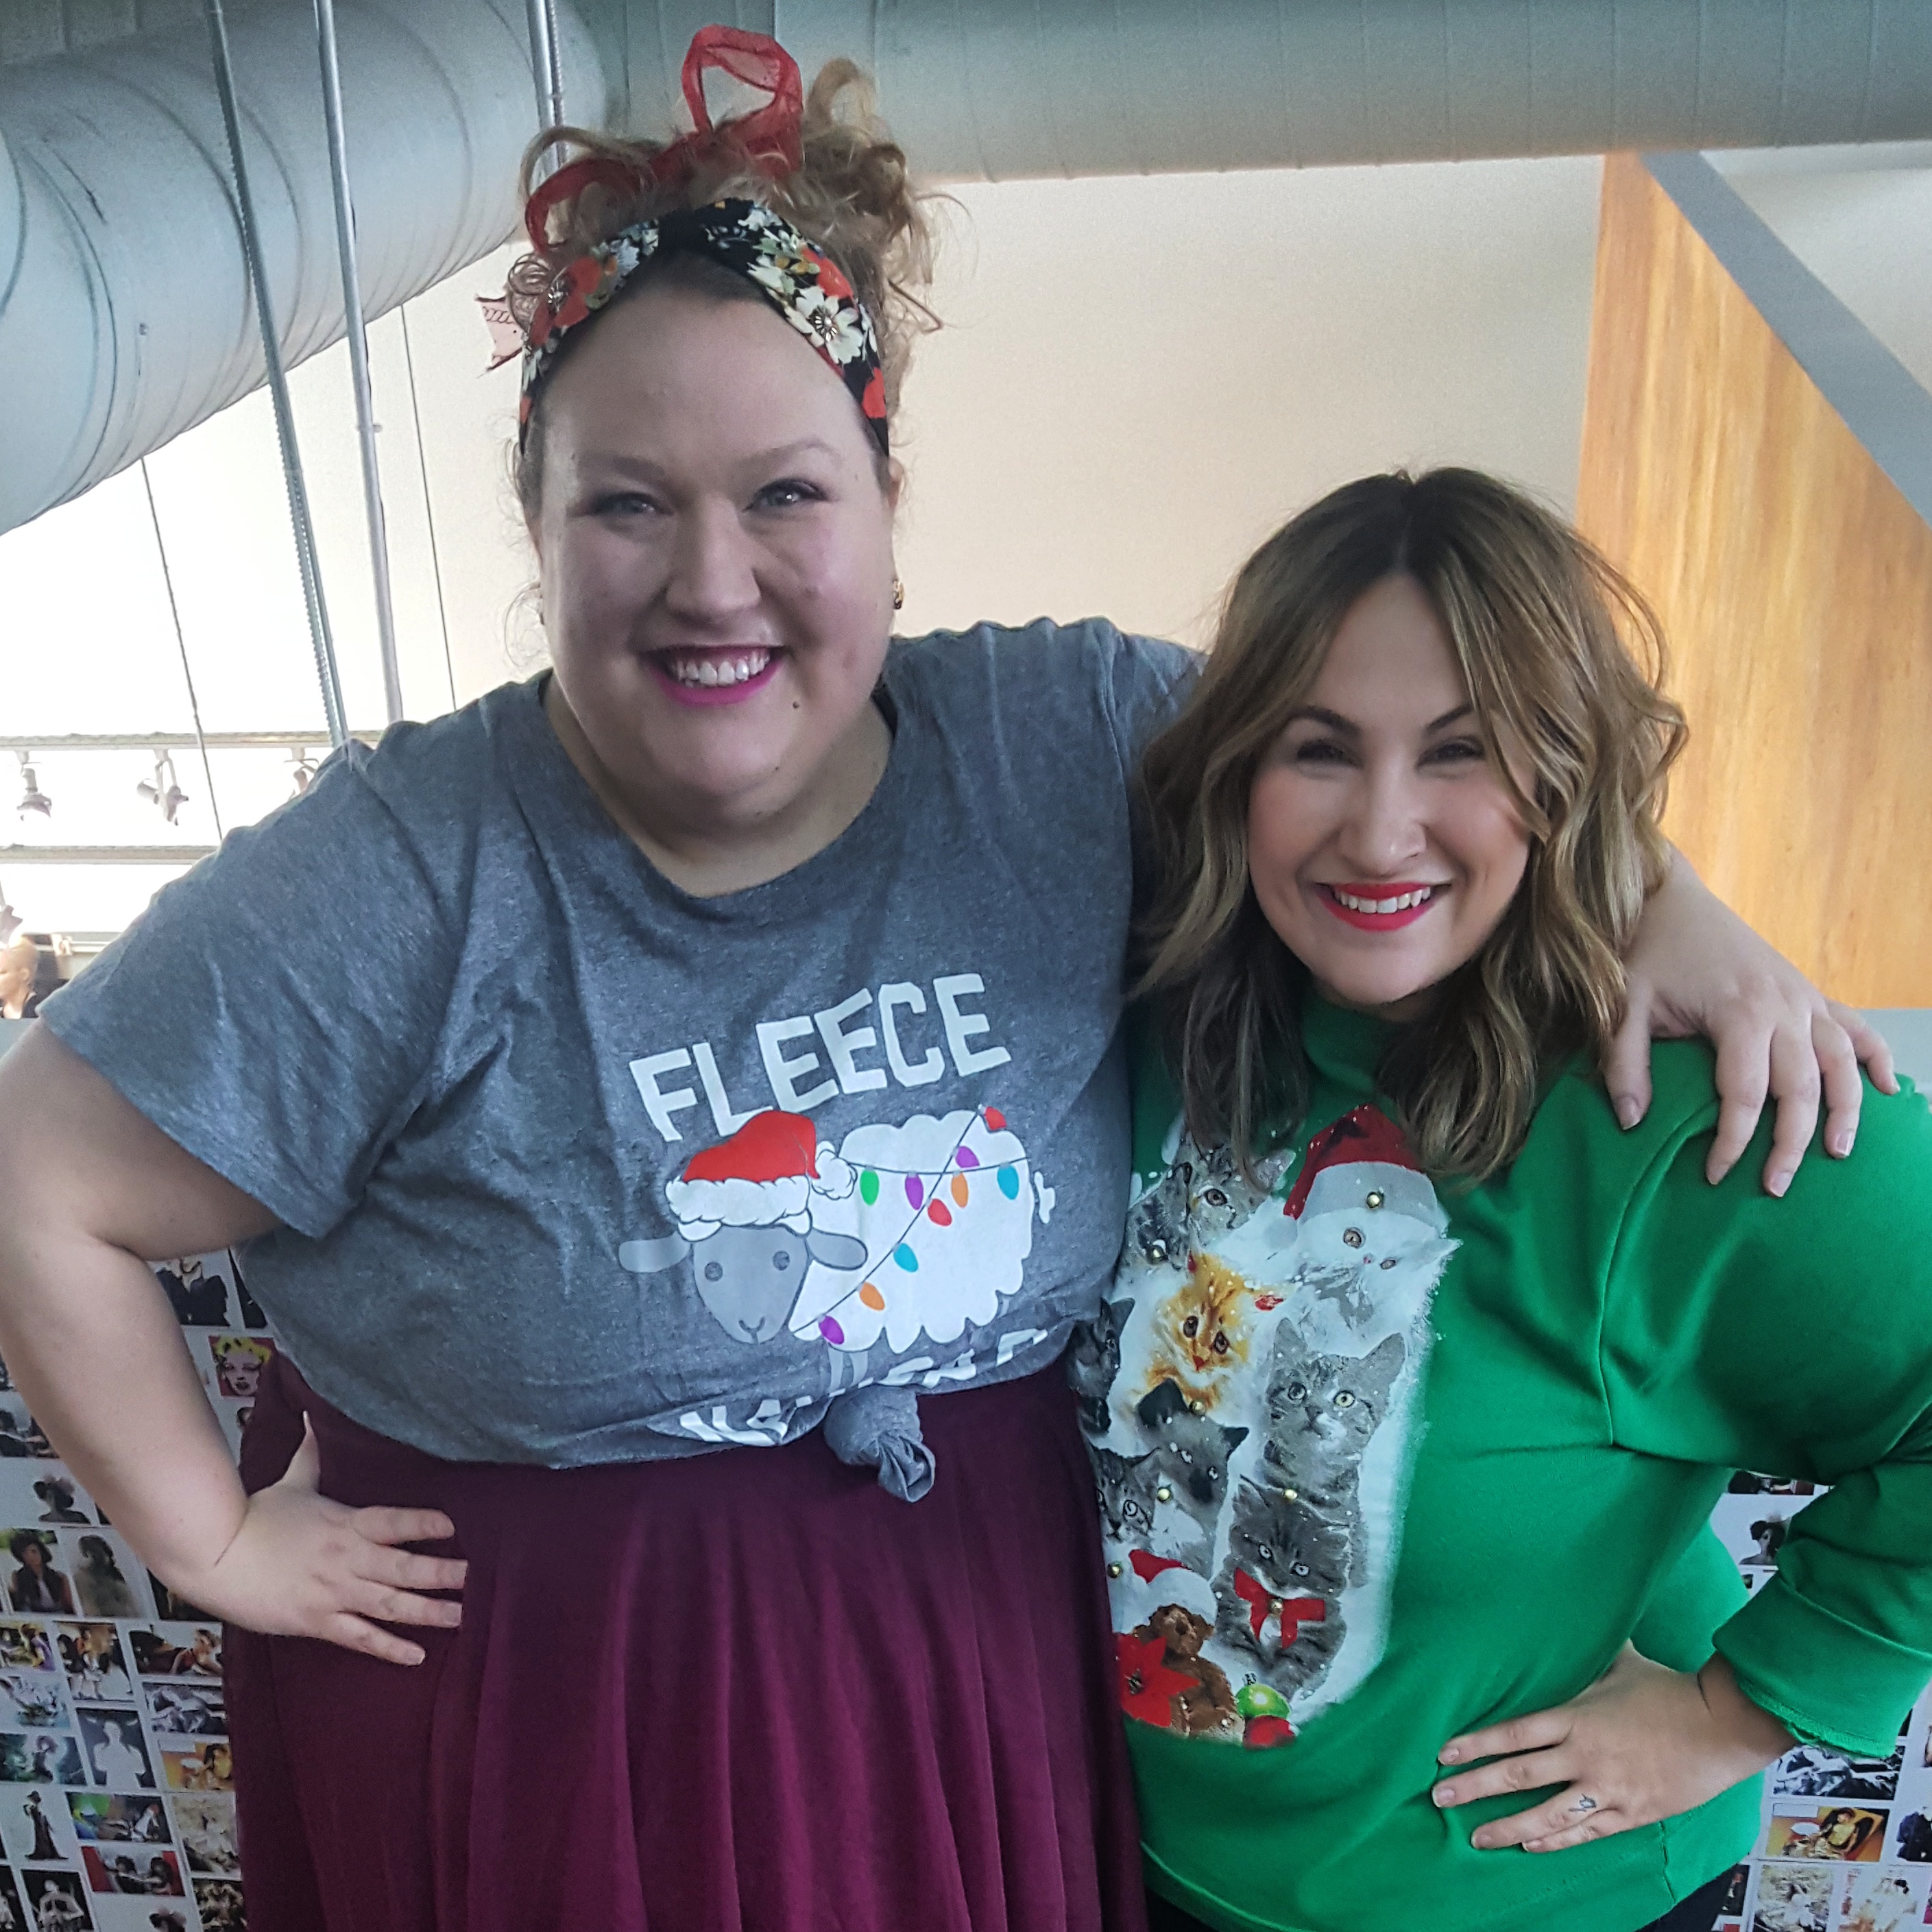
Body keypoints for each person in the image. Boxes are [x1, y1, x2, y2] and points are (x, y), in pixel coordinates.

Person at [0, 33, 1889, 1932]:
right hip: (566, 1709)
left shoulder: (1060, 735)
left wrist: (1657, 896)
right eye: (626, 503)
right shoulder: (389, 869)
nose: (712, 578)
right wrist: (208, 1535)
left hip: (971, 1672)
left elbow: (1379, 767)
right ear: (536, 523)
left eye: (786, 493)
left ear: (889, 500)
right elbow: (38, 1172)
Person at [1085, 468, 1932, 1932]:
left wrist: (1737, 1711)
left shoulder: (1686, 1109)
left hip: (1524, 1897)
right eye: (1318, 748)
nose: (1379, 830)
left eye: (1460, 752)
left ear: (1559, 775)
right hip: (1154, 1866)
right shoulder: (1154, 1003)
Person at [4, 1536, 72, 1617]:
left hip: (57, 1613)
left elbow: (68, 1605)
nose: (31, 1556)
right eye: (25, 1553)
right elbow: (19, 1602)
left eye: (34, 1551)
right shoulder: (18, 1576)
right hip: (33, 1614)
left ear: (41, 1551)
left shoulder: (59, 1577)